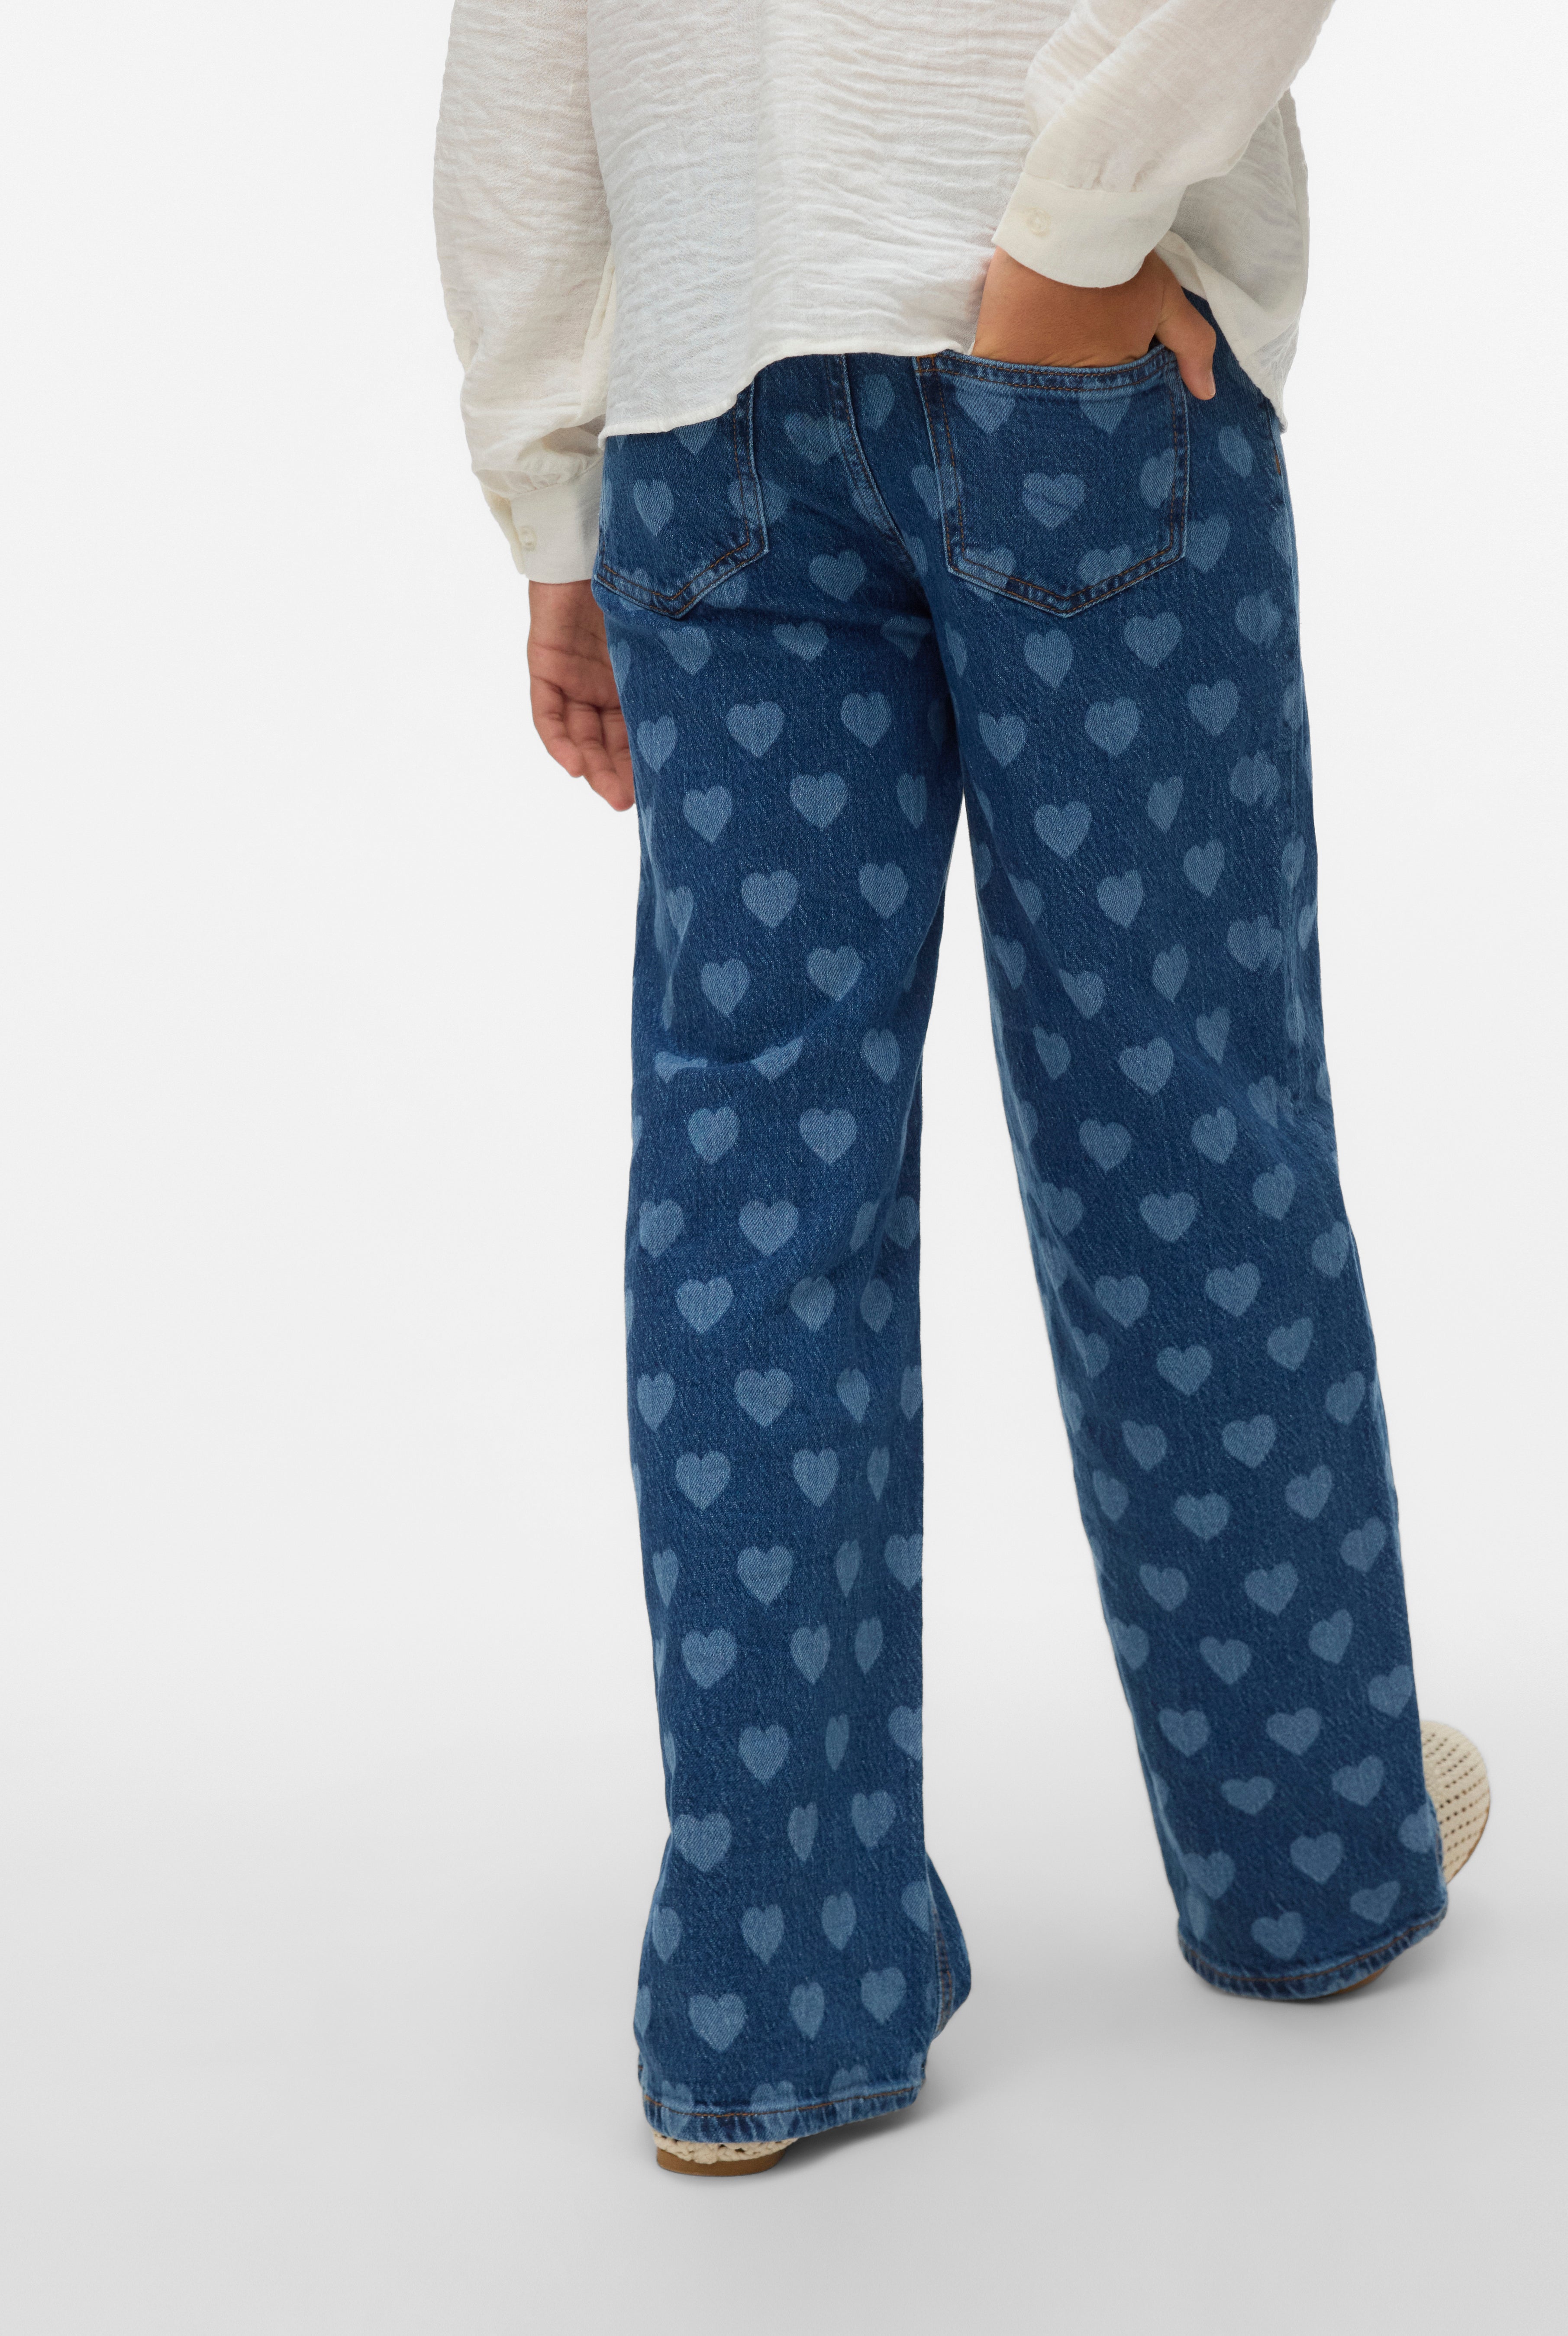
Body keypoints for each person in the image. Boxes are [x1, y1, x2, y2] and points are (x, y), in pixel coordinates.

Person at [434, 0, 1490, 2178]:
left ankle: (770, 1986)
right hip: (1059, 374)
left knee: (749, 1191)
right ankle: (1306, 1854)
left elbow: (517, 65)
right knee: (1178, 1127)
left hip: (706, 411)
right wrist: (1074, 232)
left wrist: (555, 486)